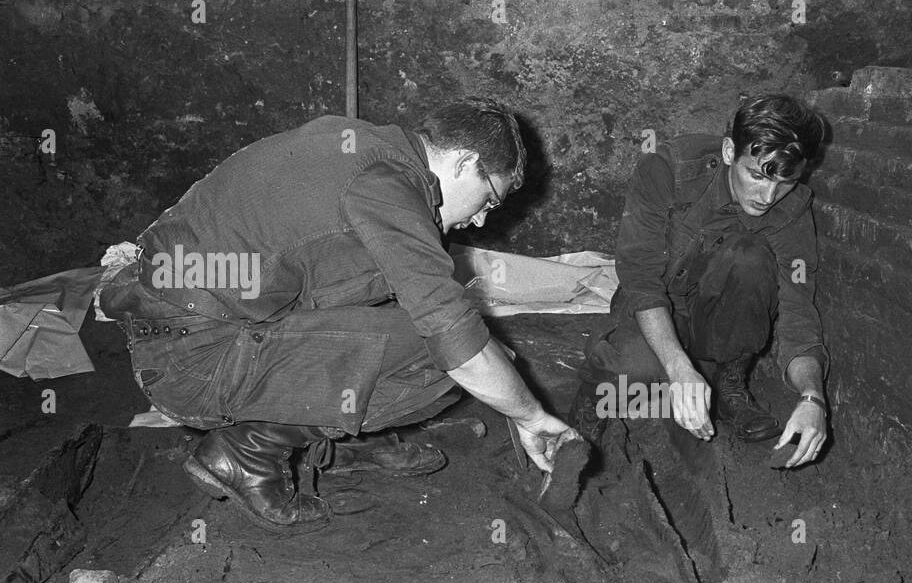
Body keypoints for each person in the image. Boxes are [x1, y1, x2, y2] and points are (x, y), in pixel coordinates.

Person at [99, 98, 575, 533]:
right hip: (196, 360)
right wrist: (531, 416)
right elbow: (454, 337)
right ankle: (249, 452)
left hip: (181, 327)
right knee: (449, 352)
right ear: (466, 162)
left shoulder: (362, 145)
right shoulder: (386, 187)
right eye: (490, 198)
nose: (482, 220)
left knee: (404, 302)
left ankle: (342, 437)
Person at [569, 93, 830, 467]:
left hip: (718, 314)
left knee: (749, 257)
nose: (768, 196)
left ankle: (729, 382)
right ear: (728, 152)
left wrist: (811, 397)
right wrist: (678, 368)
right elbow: (640, 276)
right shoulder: (667, 168)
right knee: (632, 370)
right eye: (755, 175)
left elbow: (796, 308)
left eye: (785, 182)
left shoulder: (790, 208)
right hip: (657, 304)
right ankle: (587, 416)